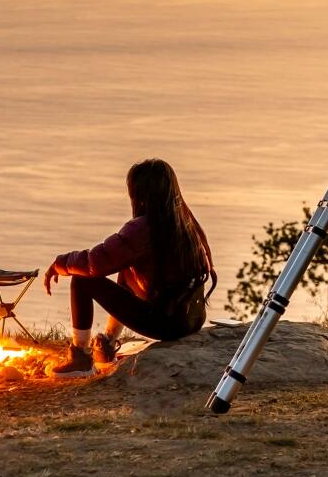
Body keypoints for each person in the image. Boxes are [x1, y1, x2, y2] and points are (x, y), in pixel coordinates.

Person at [43, 158, 216, 378]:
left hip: (165, 324)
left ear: (140, 194)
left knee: (83, 279)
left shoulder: (143, 228)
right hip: (191, 319)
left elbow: (95, 263)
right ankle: (107, 343)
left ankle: (80, 358)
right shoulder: (185, 222)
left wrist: (61, 264)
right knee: (126, 266)